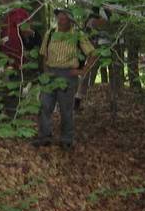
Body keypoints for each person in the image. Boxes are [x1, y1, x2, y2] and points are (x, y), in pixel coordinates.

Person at [32, 8, 98, 149]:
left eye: (64, 19)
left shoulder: (78, 35)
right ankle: (44, 136)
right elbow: (44, 54)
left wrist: (82, 71)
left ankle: (66, 139)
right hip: (50, 74)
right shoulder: (50, 33)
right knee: (44, 105)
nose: (60, 21)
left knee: (66, 109)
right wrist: (45, 72)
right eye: (59, 18)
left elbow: (93, 53)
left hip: (68, 75)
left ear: (70, 21)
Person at [0, 0, 34, 118]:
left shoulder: (21, 12)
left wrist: (25, 31)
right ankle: (1, 111)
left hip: (17, 55)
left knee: (15, 83)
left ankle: (13, 113)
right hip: (0, 56)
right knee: (2, 83)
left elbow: (28, 31)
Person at [74, 10, 109, 111]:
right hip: (80, 60)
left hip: (88, 60)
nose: (95, 24)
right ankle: (71, 104)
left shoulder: (96, 33)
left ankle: (76, 104)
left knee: (83, 82)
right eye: (93, 22)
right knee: (78, 81)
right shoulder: (84, 32)